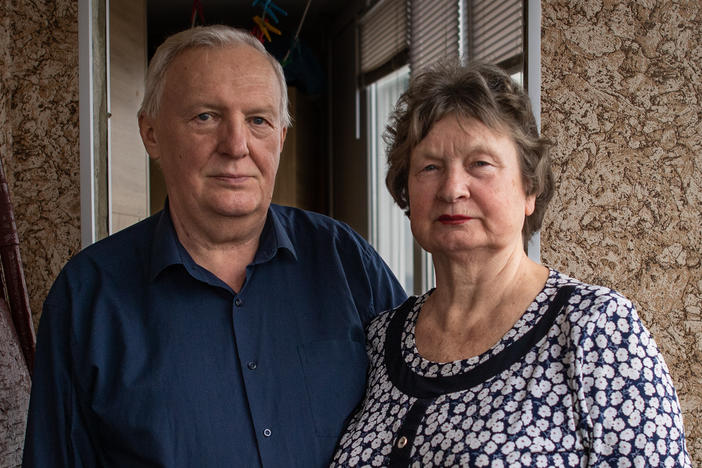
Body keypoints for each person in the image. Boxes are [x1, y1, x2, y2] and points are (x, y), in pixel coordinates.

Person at [23, 25, 406, 467]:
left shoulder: (346, 261)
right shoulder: (87, 297)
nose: (236, 146)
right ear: (151, 134)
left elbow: (419, 415)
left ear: (280, 139)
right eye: (206, 117)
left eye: (259, 120)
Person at [331, 62, 691, 467]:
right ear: (406, 190)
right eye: (430, 167)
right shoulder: (381, 339)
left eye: (479, 164)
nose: (452, 188)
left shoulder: (596, 330)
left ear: (530, 188)